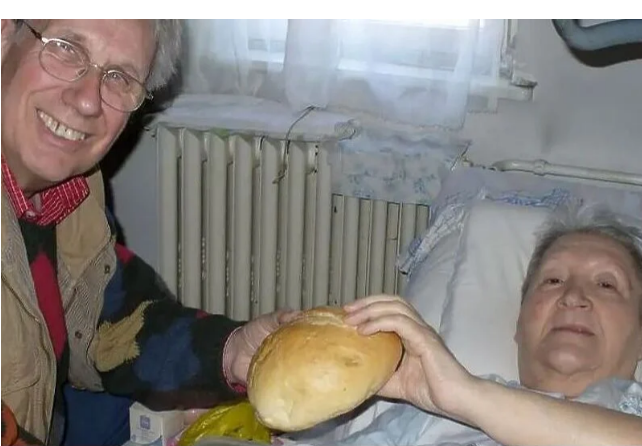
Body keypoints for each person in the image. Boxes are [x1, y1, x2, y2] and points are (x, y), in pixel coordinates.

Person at [1, 19, 296, 446]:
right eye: (66, 48)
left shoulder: (75, 190)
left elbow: (108, 318)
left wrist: (232, 351)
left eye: (119, 76)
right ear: (5, 34)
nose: (88, 100)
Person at [296, 203, 642, 445]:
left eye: (606, 284)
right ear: (520, 325)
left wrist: (466, 395)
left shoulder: (458, 396)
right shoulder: (431, 414)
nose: (573, 296)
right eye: (553, 280)